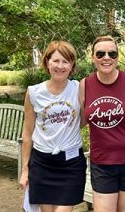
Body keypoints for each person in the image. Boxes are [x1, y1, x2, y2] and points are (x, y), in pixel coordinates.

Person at [79, 35, 125, 212]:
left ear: (117, 57)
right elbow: (80, 120)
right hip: (102, 163)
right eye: (100, 54)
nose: (106, 58)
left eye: (112, 53)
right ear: (93, 57)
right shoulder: (85, 85)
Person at [19, 41, 87, 212]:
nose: (60, 66)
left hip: (71, 163)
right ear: (47, 62)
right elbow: (27, 134)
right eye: (56, 61)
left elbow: (84, 121)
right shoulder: (34, 92)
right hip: (42, 164)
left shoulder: (79, 88)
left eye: (66, 61)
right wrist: (25, 170)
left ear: (72, 66)